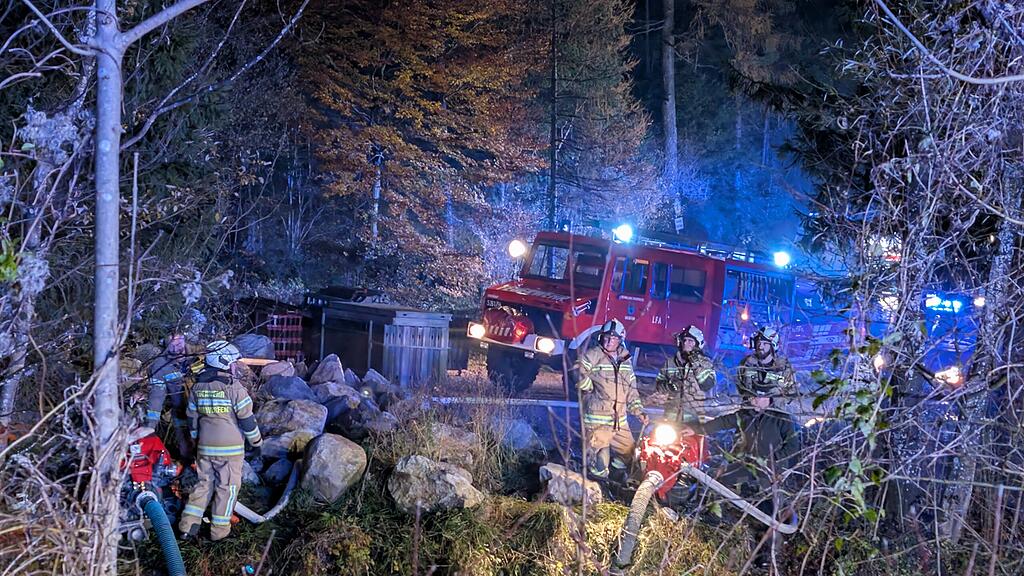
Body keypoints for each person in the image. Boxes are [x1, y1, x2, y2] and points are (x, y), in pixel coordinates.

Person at [683, 326, 799, 568]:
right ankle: (712, 533)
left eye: (760, 397)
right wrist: (697, 428)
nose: (755, 400)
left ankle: (765, 557)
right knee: (718, 488)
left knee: (770, 513)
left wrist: (774, 464)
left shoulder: (781, 418)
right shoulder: (746, 412)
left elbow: (792, 447)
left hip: (769, 472)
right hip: (744, 463)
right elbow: (725, 421)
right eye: (753, 397)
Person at [179, 341, 262, 541]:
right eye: (233, 362)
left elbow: (192, 418)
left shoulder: (198, 386)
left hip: (205, 448)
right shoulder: (233, 387)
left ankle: (187, 528)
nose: (235, 366)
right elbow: (247, 419)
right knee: (228, 488)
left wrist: (195, 439)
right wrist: (257, 442)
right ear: (224, 362)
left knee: (203, 484)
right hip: (230, 450)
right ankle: (219, 534)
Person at [576, 319, 648, 480]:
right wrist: (588, 388)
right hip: (598, 420)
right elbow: (577, 372)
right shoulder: (593, 355)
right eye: (606, 337)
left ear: (620, 340)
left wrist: (639, 411)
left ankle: (615, 477)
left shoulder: (625, 360)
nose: (609, 341)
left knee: (630, 451)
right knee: (599, 461)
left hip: (619, 421)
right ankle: (596, 489)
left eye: (613, 338)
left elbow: (631, 389)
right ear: (601, 337)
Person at [145, 333, 194, 462]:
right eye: (172, 342)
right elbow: (156, 397)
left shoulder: (198, 356)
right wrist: (150, 426)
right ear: (166, 344)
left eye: (179, 341)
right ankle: (188, 465)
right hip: (181, 412)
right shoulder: (160, 365)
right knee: (185, 443)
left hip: (202, 412)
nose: (176, 346)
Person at [655, 325, 716, 424]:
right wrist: (668, 387)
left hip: (694, 420)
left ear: (697, 344)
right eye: (685, 340)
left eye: (690, 341)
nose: (686, 343)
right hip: (671, 418)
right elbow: (658, 384)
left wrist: (696, 364)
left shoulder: (705, 363)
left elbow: (708, 385)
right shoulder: (671, 362)